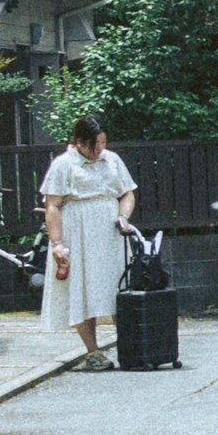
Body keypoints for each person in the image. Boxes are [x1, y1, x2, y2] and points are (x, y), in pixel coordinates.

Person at [40, 117, 139, 370]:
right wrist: (57, 243)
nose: (99, 149)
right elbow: (52, 205)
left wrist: (123, 216)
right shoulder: (63, 164)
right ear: (80, 142)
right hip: (78, 231)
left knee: (118, 285)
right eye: (95, 144)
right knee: (82, 289)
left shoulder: (112, 159)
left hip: (110, 232)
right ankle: (93, 352)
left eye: (103, 143)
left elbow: (127, 192)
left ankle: (131, 347)